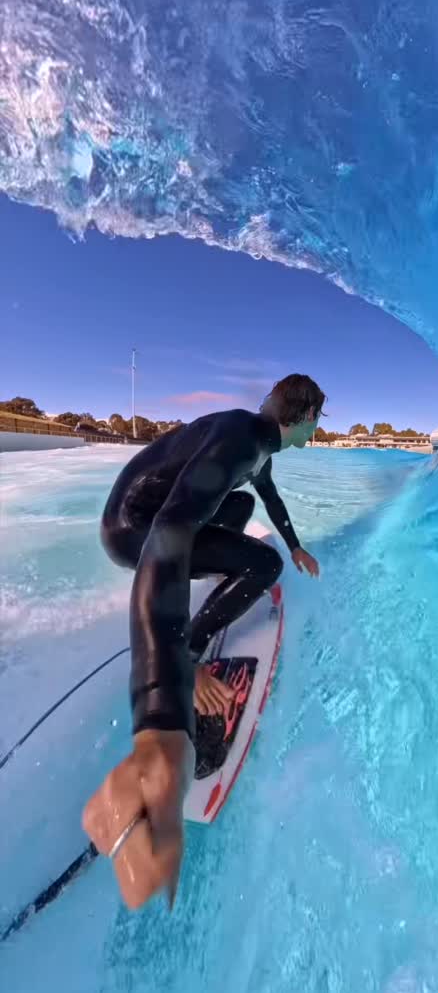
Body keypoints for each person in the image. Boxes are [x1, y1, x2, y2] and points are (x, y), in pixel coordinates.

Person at [83, 374, 324, 909]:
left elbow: (268, 494)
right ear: (304, 416)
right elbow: (168, 535)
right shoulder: (241, 440)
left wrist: (298, 544)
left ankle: (216, 572)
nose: (316, 430)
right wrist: (175, 675)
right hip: (133, 529)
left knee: (238, 514)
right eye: (317, 420)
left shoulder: (260, 444)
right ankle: (193, 641)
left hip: (148, 516)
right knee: (263, 565)